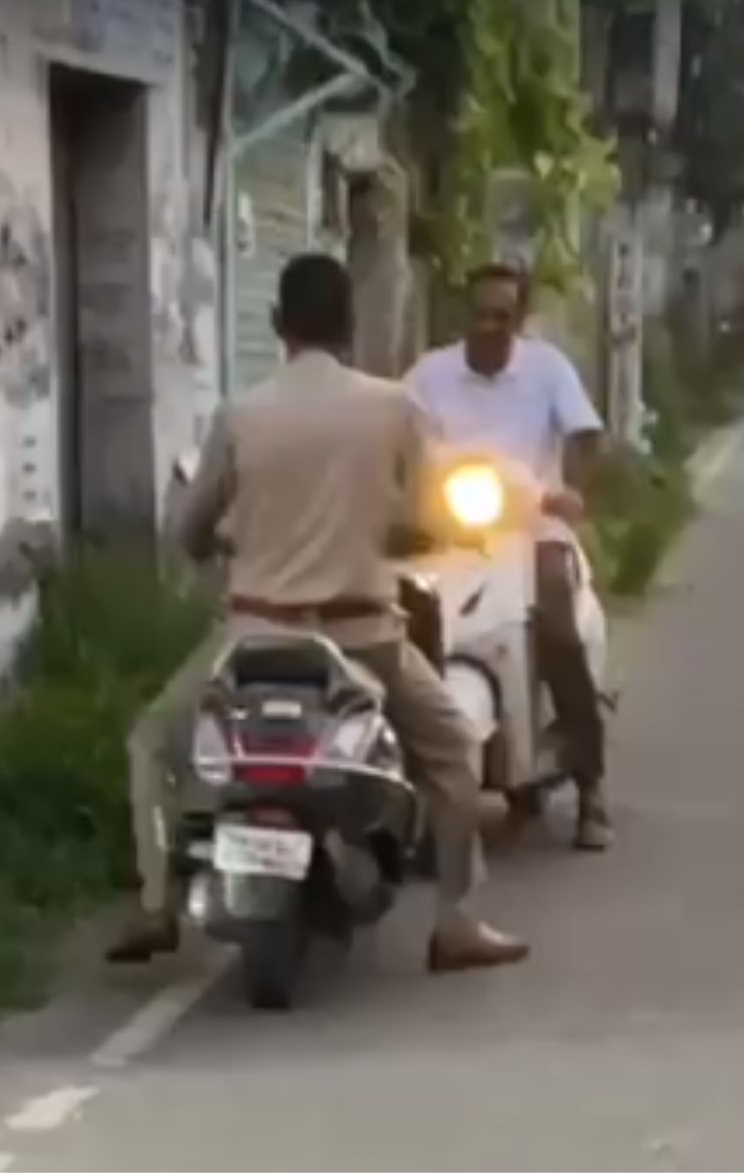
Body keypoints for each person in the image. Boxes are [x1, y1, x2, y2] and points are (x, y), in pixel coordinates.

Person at [106, 253, 529, 974]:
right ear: (351, 326)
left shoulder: (241, 414)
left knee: (149, 744)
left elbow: (189, 531)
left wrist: (230, 541)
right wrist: (386, 532)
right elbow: (429, 518)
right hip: (363, 638)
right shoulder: (394, 408)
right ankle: (455, 920)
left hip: (253, 636)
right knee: (455, 750)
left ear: (278, 324)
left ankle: (154, 903)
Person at [406, 263, 613, 851]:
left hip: (534, 525)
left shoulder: (547, 368)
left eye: (502, 316)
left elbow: (585, 435)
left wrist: (574, 489)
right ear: (463, 316)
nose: (489, 326)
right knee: (397, 617)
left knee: (557, 624)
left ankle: (590, 783)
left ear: (520, 320)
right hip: (445, 532)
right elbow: (396, 435)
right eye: (480, 314)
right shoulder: (429, 375)